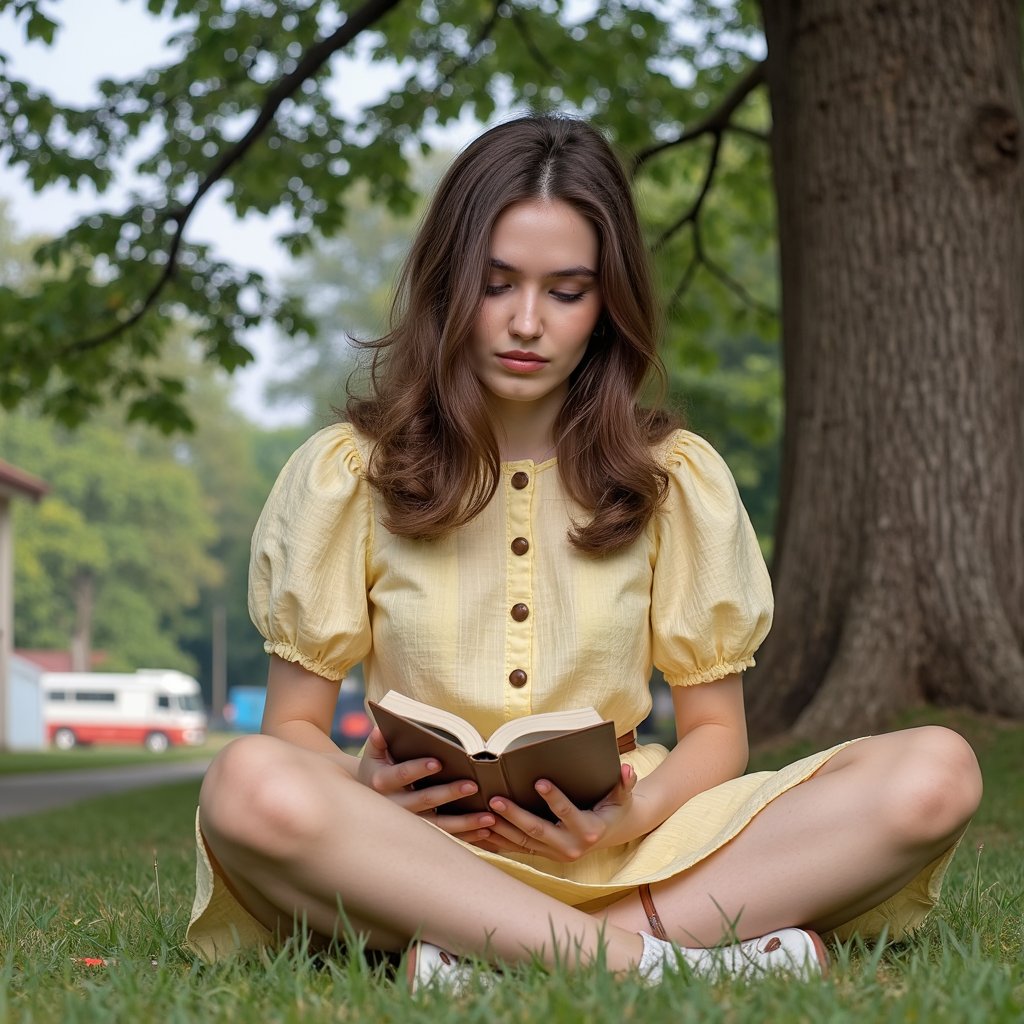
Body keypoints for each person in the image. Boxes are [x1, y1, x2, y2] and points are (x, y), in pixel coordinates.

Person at [187, 114, 982, 988]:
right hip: (410, 855)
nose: (527, 322)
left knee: (938, 771)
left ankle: (492, 955)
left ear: (608, 304)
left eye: (566, 291)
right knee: (245, 783)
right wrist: (361, 777)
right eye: (498, 284)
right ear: (450, 283)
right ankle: (653, 961)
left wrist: (629, 814)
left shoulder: (672, 478)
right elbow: (290, 728)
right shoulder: (349, 473)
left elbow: (717, 734)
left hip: (629, 848)